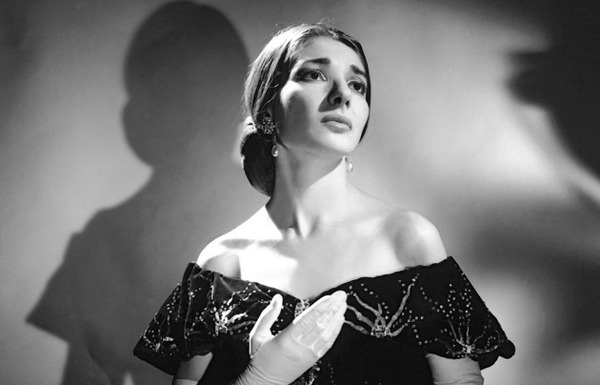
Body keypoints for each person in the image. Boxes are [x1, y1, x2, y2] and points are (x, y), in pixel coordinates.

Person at [133, 23, 515, 385]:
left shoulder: (408, 239)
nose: (342, 94)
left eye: (357, 84)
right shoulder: (221, 265)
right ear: (267, 111)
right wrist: (262, 377)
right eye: (314, 74)